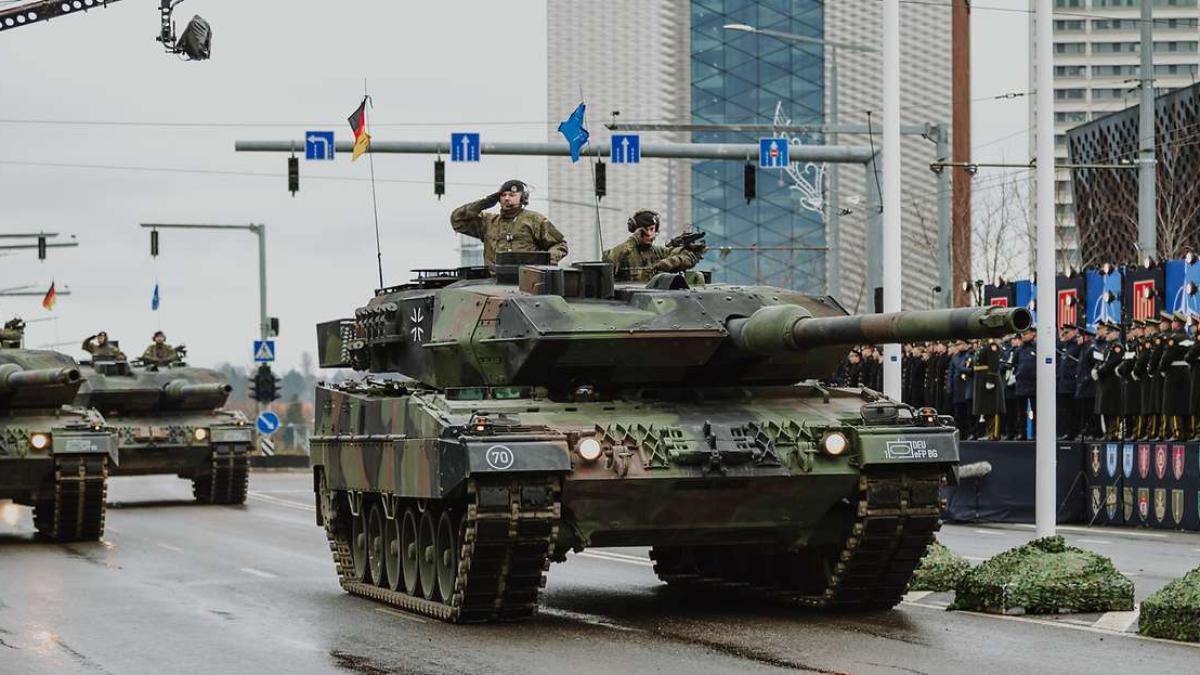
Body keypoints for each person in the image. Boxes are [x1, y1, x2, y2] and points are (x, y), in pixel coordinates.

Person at [450, 179, 568, 268]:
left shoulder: (535, 220)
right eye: (503, 195)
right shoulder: (488, 222)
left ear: (523, 198)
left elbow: (560, 245)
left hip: (527, 281)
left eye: (512, 195)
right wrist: (484, 203)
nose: (506, 198)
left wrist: (544, 263)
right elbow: (457, 219)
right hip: (493, 280)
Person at [603, 210, 704, 281]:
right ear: (636, 231)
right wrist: (633, 240)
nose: (649, 234)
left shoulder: (660, 253)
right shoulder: (623, 253)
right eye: (645, 230)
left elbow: (689, 256)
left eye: (652, 229)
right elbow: (609, 261)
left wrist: (670, 262)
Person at [1056, 324, 1082, 440]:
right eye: (1063, 333)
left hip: (1073, 384)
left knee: (1075, 411)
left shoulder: (1077, 346)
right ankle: (1067, 432)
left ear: (1074, 332)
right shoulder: (1066, 346)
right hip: (1064, 384)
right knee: (1066, 411)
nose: (1063, 335)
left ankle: (1075, 432)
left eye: (1066, 333)